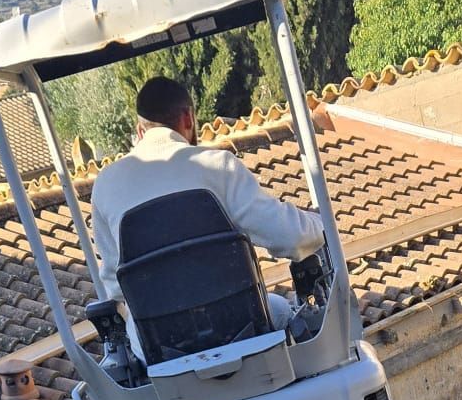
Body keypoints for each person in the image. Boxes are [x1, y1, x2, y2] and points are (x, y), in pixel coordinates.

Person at [90, 75, 325, 340]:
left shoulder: (105, 185)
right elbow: (289, 236)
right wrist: (319, 223)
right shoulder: (217, 166)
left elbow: (115, 288)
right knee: (283, 310)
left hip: (159, 347)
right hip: (240, 328)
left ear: (140, 130)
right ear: (188, 118)